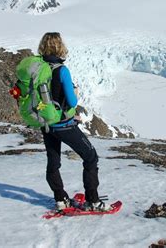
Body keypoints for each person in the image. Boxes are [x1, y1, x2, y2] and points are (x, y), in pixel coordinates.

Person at [37, 32, 110, 212]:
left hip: (46, 123)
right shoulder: (62, 70)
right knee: (90, 156)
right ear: (59, 47)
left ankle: (61, 199)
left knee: (53, 160)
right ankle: (93, 201)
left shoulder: (37, 68)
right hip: (63, 124)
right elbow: (71, 101)